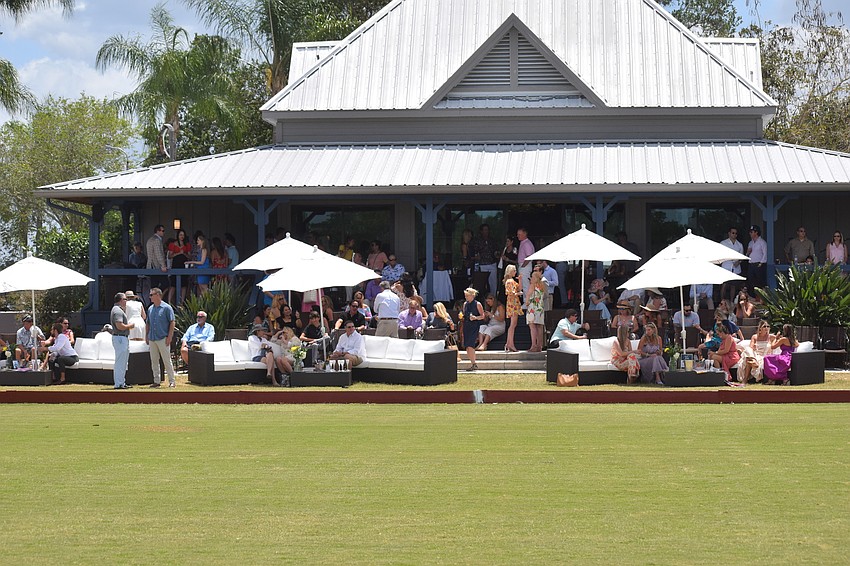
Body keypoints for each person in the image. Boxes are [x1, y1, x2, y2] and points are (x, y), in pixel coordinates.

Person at [146, 287, 177, 388]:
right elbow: (148, 323)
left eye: (151, 295)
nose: (150, 297)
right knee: (154, 360)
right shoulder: (150, 309)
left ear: (158, 295)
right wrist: (146, 336)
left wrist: (169, 337)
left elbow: (172, 322)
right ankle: (156, 381)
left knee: (166, 360)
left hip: (163, 338)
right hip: (152, 338)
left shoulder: (167, 308)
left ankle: (172, 381)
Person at [110, 292, 135, 389]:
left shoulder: (118, 310)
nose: (126, 301)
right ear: (120, 300)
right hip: (120, 337)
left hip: (121, 337)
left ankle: (121, 382)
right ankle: (118, 384)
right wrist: (130, 326)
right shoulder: (118, 311)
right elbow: (119, 326)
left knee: (123, 361)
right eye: (125, 299)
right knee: (120, 361)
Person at [471, 224, 499, 295]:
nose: (486, 231)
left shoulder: (492, 240)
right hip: (482, 264)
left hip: (492, 263)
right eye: (485, 230)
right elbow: (475, 251)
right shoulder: (478, 241)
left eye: (487, 230)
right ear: (481, 231)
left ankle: (494, 297)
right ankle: (483, 298)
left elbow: (496, 250)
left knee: (493, 283)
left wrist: (497, 255)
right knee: (482, 283)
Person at [461, 288, 485, 370]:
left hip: (474, 325)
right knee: (467, 345)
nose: (466, 297)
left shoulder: (477, 304)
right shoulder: (465, 304)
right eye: (465, 296)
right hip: (466, 325)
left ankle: (474, 363)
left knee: (470, 345)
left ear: (472, 295)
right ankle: (472, 363)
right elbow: (464, 314)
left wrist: (475, 318)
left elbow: (482, 316)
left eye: (467, 296)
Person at [719, 227, 744, 304]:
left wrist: (738, 262)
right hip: (726, 266)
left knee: (733, 286)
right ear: (729, 233)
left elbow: (742, 256)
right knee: (724, 285)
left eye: (736, 233)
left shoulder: (739, 245)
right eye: (733, 233)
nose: (734, 235)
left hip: (735, 267)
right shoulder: (723, 243)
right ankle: (722, 302)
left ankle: (732, 302)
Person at [166, 228, 191, 303]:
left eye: (183, 235)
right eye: (180, 235)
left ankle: (182, 302)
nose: (182, 236)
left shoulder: (187, 245)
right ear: (178, 235)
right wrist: (179, 253)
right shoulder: (173, 244)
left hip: (184, 265)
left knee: (184, 284)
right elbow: (169, 256)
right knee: (173, 285)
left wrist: (184, 253)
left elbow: (190, 257)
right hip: (175, 264)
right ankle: (169, 302)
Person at [524, 270, 546, 352]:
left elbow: (528, 294)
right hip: (540, 307)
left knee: (532, 327)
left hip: (533, 307)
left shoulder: (532, 285)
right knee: (539, 327)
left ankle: (533, 345)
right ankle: (539, 346)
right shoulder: (541, 286)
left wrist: (526, 302)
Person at [503, 264, 523, 352]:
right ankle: (510, 344)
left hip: (513, 303)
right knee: (513, 324)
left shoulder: (511, 281)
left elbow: (519, 288)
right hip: (513, 303)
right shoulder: (510, 281)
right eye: (514, 270)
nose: (515, 272)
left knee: (513, 324)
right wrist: (518, 294)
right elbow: (511, 293)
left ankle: (509, 343)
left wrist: (520, 280)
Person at [146, 224, 169, 296]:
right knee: (166, 284)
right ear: (157, 231)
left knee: (154, 285)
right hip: (156, 267)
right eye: (162, 231)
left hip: (151, 266)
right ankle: (156, 297)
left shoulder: (150, 239)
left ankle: (154, 299)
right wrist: (163, 265)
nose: (163, 232)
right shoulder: (156, 240)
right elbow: (158, 254)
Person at [746, 225, 767, 292]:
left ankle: (761, 298)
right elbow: (747, 254)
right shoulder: (750, 242)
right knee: (750, 281)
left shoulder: (762, 242)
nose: (750, 233)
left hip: (759, 264)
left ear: (756, 232)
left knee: (760, 282)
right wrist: (748, 253)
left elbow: (765, 253)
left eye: (751, 232)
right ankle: (753, 297)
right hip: (751, 264)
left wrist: (761, 263)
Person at [516, 227, 535, 298]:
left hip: (525, 266)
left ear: (525, 234)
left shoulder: (526, 243)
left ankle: (526, 302)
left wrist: (523, 266)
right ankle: (526, 301)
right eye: (517, 234)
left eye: (519, 234)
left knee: (525, 284)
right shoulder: (523, 243)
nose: (518, 236)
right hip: (523, 265)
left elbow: (529, 256)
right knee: (523, 284)